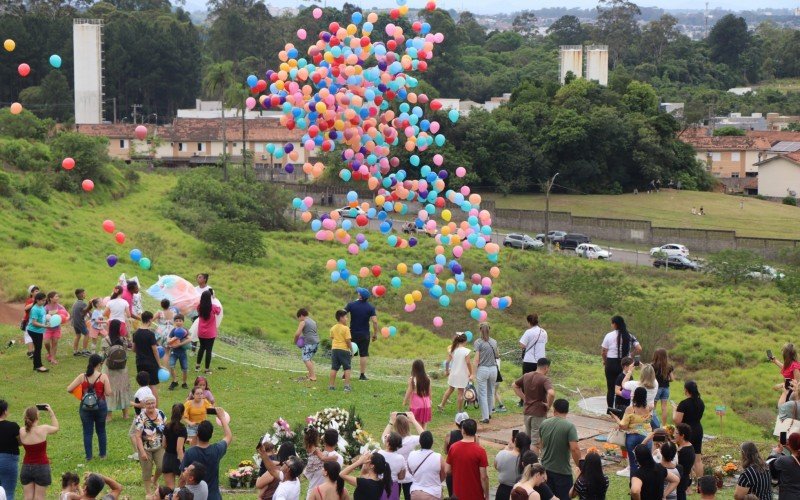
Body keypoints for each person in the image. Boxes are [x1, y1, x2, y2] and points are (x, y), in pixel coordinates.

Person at [66, 354, 111, 461]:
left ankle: (89, 457)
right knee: (101, 431)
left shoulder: (83, 376)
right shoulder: (103, 376)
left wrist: (80, 394)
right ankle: (103, 455)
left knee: (87, 432)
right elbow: (109, 393)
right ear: (99, 364)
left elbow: (69, 389)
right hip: (100, 405)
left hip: (85, 406)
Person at [180, 409, 232, 500]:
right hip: (214, 496)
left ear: (197, 434)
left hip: (194, 496)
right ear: (212, 434)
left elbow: (182, 477)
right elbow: (228, 436)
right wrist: (222, 418)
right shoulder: (216, 450)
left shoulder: (190, 453)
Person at [538, 399, 581, 500]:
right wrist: (580, 465)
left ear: (554, 409)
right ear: (567, 410)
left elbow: (541, 445)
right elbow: (574, 449)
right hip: (562, 472)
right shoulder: (569, 427)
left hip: (546, 469)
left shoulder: (544, 423)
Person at [513, 358, 554, 452]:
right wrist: (548, 405)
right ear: (547, 367)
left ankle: (526, 460)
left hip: (527, 411)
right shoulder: (544, 379)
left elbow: (514, 385)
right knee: (536, 442)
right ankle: (533, 464)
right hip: (538, 413)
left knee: (528, 439)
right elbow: (551, 393)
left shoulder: (527, 375)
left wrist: (524, 398)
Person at [601, 315, 641, 409]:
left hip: (611, 363)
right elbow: (639, 348)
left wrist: (605, 361)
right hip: (625, 365)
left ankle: (611, 410)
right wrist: (630, 355)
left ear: (615, 324)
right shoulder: (629, 336)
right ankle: (623, 409)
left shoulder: (609, 335)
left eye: (612, 323)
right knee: (626, 387)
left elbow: (603, 352)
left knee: (611, 389)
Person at [19, 405, 59, 500]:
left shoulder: (21, 431)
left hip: (26, 467)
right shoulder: (43, 429)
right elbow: (56, 427)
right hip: (42, 466)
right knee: (39, 498)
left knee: (27, 497)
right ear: (37, 417)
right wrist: (51, 412)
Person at [382, 413, 423, 500]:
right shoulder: (412, 440)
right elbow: (424, 435)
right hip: (409, 475)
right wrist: (414, 420)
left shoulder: (391, 439)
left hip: (395, 474)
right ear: (408, 426)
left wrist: (391, 421)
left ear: (395, 426)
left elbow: (383, 436)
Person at [445, 418, 488, 500]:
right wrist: (487, 494)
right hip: (476, 495)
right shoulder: (481, 451)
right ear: (475, 431)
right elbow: (484, 477)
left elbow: (447, 470)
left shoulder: (453, 448)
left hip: (458, 494)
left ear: (463, 431)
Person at [612, 387, 652, 476]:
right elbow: (646, 422)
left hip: (633, 437)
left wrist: (616, 418)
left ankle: (634, 482)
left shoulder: (631, 408)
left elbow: (623, 426)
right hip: (647, 436)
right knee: (646, 463)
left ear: (635, 396)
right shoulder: (648, 408)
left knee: (633, 463)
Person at [343, 288, 379, 380]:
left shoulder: (351, 305)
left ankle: (345, 374)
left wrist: (344, 326)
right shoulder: (370, 307)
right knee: (363, 354)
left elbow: (342, 313)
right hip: (365, 334)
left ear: (360, 296)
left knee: (350, 353)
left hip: (352, 333)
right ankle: (362, 375)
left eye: (358, 293)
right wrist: (375, 334)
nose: (357, 293)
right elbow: (375, 322)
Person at [134, 395, 166, 495]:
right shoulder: (141, 417)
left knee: (162, 466)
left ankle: (155, 480)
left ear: (155, 403)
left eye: (152, 403)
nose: (151, 405)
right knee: (147, 471)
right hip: (145, 447)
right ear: (144, 405)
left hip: (159, 446)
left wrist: (166, 443)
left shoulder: (160, 413)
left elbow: (166, 429)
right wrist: (142, 452)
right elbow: (138, 436)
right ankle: (148, 492)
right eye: (148, 403)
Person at [673, 380, 705, 478]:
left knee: (686, 458)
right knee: (698, 459)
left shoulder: (684, 403)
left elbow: (677, 421)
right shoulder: (701, 402)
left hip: (687, 431)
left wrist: (675, 410)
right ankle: (700, 483)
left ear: (686, 390)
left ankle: (687, 482)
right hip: (698, 429)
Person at [304, 427, 344, 499]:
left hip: (313, 495)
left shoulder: (315, 456)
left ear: (324, 440)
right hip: (331, 496)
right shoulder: (339, 458)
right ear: (337, 441)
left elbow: (306, 474)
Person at [103, 320, 131, 422]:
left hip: (109, 369)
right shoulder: (123, 340)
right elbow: (127, 351)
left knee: (108, 391)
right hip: (122, 369)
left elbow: (104, 355)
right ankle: (126, 414)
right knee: (123, 389)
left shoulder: (106, 340)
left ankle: (109, 416)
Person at [133, 311, 164, 401]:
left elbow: (133, 349)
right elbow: (155, 351)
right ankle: (155, 408)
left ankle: (144, 408)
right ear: (150, 320)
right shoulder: (150, 334)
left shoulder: (136, 333)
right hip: (151, 363)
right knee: (152, 385)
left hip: (139, 362)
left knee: (143, 387)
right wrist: (159, 364)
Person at [438, 334, 472, 413]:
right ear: (465, 341)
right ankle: (459, 411)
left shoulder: (452, 350)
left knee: (450, 389)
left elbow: (447, 362)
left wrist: (447, 371)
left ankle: (441, 405)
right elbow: (468, 363)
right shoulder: (466, 351)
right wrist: (471, 373)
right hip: (462, 375)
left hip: (453, 374)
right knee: (460, 393)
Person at [519, 314, 547, 406]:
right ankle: (540, 399)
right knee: (540, 381)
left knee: (526, 381)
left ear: (529, 322)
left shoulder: (529, 332)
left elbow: (522, 345)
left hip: (529, 360)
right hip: (541, 361)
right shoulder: (544, 332)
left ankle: (524, 400)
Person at [472, 323, 498, 424]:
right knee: (491, 391)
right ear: (489, 330)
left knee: (482, 393)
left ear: (480, 330)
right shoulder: (494, 342)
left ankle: (485, 417)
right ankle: (490, 412)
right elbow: (497, 355)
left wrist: (473, 373)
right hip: (493, 369)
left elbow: (476, 359)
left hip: (483, 369)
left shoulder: (478, 342)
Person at [494, 432, 532, 500]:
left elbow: (496, 467)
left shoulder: (502, 454)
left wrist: (508, 447)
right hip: (521, 493)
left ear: (514, 441)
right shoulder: (529, 459)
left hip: (503, 492)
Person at [407, 431, 444, 500]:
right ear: (432, 442)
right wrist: (435, 482)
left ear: (420, 442)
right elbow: (443, 475)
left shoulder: (412, 454)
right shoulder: (438, 457)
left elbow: (410, 470)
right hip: (433, 493)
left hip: (415, 492)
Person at [195, 290, 221, 374]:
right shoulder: (213, 307)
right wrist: (214, 299)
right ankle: (206, 369)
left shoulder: (199, 307)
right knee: (208, 350)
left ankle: (197, 366)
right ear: (210, 298)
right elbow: (219, 310)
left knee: (201, 348)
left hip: (201, 332)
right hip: (210, 333)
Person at [163, 403, 188, 490]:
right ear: (182, 414)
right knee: (181, 487)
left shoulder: (167, 426)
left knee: (170, 488)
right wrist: (184, 464)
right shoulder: (182, 428)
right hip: (178, 459)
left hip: (167, 458)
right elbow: (179, 448)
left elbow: (164, 444)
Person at [402, 360, 432, 429]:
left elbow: (409, 391)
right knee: (424, 424)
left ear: (414, 368)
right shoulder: (427, 378)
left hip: (417, 404)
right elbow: (430, 391)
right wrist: (430, 400)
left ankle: (421, 437)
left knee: (417, 423)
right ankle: (423, 436)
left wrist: (404, 401)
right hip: (427, 404)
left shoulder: (413, 379)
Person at [0, 400, 20, 500]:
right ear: (5, 411)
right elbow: (21, 441)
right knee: (8, 492)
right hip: (8, 460)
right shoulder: (12, 426)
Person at [770, 432, 800, 499]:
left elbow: (770, 465)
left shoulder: (784, 461)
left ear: (789, 443)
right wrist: (790, 447)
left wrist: (776, 452)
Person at [377, 432, 407, 500]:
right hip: (393, 486)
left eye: (386, 437)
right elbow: (401, 477)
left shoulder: (379, 453)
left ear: (388, 443)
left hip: (380, 484)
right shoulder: (401, 458)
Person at [329, 310, 353, 392]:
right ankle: (346, 386)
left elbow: (332, 338)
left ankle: (331, 386)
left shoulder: (333, 328)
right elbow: (348, 340)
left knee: (334, 368)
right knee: (347, 368)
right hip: (344, 350)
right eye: (346, 317)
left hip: (334, 350)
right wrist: (351, 350)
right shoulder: (346, 328)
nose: (347, 319)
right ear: (341, 318)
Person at [443, 413, 467, 497]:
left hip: (452, 471)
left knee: (452, 495)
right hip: (466, 471)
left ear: (456, 423)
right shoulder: (473, 437)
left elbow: (446, 451)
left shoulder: (449, 435)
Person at [44, 291, 69, 365]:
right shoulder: (46, 307)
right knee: (46, 343)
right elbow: (43, 318)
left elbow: (66, 314)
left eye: (58, 296)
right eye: (56, 296)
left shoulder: (60, 306)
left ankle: (53, 359)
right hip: (47, 328)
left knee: (55, 342)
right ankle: (49, 353)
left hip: (56, 328)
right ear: (51, 298)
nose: (58, 298)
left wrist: (64, 319)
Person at [26, 292, 49, 373]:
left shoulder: (41, 306)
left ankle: (37, 366)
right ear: (37, 300)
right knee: (38, 348)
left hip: (39, 331)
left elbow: (43, 317)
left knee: (38, 348)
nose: (44, 302)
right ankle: (38, 366)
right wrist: (44, 326)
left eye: (45, 300)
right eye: (42, 300)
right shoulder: (35, 309)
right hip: (34, 331)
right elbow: (34, 322)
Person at [294, 309, 319, 382]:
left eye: (299, 318)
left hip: (309, 342)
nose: (299, 320)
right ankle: (310, 374)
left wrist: (295, 341)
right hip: (316, 342)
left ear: (301, 315)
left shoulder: (303, 322)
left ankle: (313, 376)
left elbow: (297, 334)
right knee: (309, 358)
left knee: (306, 359)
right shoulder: (313, 321)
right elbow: (311, 332)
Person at [168, 314, 191, 390]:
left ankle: (184, 383)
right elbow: (168, 340)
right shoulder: (173, 331)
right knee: (171, 365)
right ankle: (175, 381)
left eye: (180, 321)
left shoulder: (185, 331)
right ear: (174, 322)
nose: (178, 322)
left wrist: (180, 344)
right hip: (173, 352)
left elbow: (189, 339)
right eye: (176, 321)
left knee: (184, 368)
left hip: (182, 353)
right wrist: (174, 339)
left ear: (183, 322)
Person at [652, 348, 674, 426]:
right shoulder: (669, 366)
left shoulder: (653, 366)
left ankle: (654, 425)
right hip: (666, 388)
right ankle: (664, 426)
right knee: (664, 408)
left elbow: (652, 378)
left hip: (656, 389)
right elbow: (672, 379)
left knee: (653, 408)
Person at [674, 424, 696, 500]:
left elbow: (674, 464)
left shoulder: (683, 451)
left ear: (682, 436)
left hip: (680, 480)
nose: (674, 435)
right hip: (685, 478)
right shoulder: (689, 446)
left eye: (676, 433)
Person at [71, 289, 90, 357]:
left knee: (78, 335)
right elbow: (89, 312)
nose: (85, 294)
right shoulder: (83, 303)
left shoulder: (75, 303)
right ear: (81, 294)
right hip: (80, 322)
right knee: (87, 334)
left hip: (74, 322)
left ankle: (75, 351)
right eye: (84, 293)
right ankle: (84, 351)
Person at [22, 285, 40, 359]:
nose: (38, 292)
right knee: (28, 336)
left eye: (38, 291)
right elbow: (25, 308)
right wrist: (34, 303)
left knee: (35, 336)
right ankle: (30, 352)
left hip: (36, 321)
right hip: (28, 321)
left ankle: (33, 351)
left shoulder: (40, 300)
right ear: (31, 293)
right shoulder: (30, 300)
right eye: (36, 291)